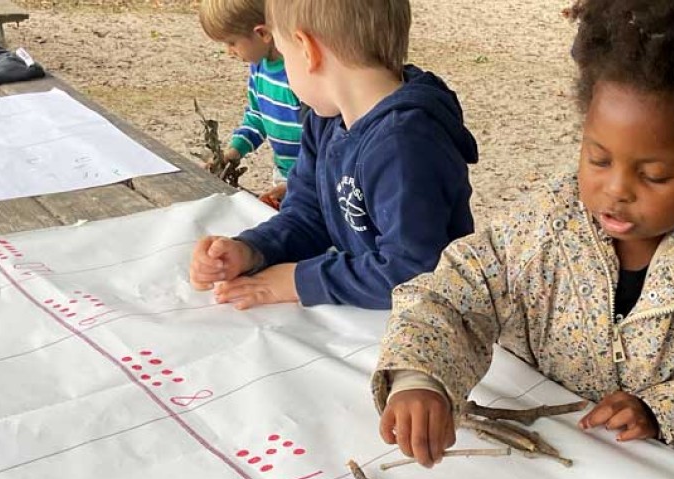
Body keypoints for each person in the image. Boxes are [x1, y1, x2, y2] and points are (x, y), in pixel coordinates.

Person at [372, 0, 674, 470]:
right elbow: (454, 291)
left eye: (654, 175)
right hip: (544, 462)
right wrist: (417, 379)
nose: (616, 190)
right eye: (598, 159)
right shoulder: (548, 221)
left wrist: (662, 408)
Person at [188, 0, 479, 310]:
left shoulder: (405, 144)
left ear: (307, 49)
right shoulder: (325, 120)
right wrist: (252, 250)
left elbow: (414, 271)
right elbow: (307, 216)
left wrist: (298, 281)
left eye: (284, 56)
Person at [197, 0, 306, 206]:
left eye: (232, 42)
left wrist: (301, 184)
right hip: (283, 175)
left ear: (262, 34)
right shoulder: (259, 68)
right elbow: (257, 118)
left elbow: (327, 141)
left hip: (315, 179)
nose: (229, 52)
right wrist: (233, 152)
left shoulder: (298, 75)